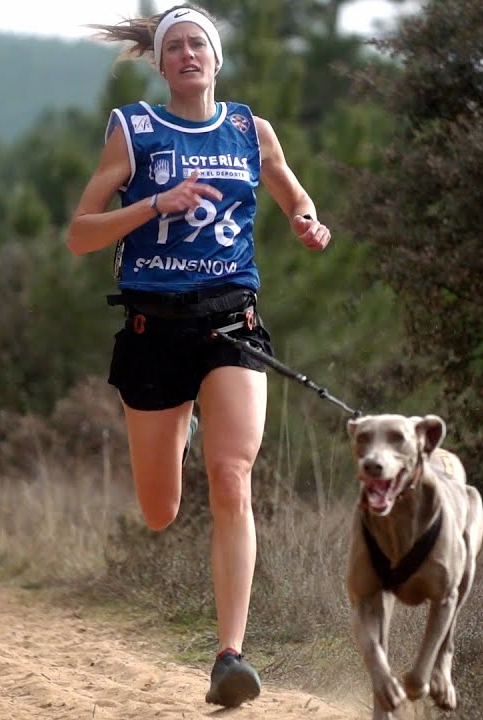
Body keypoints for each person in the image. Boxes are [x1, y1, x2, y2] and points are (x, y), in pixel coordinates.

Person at [67, 4, 331, 708]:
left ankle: (230, 655)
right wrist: (156, 205)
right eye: (176, 47)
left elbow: (290, 189)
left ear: (216, 58)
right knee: (159, 511)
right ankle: (177, 426)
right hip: (153, 330)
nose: (188, 54)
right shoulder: (134, 131)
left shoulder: (250, 130)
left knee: (232, 476)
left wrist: (307, 221)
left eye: (199, 44)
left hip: (230, 321)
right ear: (160, 64)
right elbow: (80, 235)